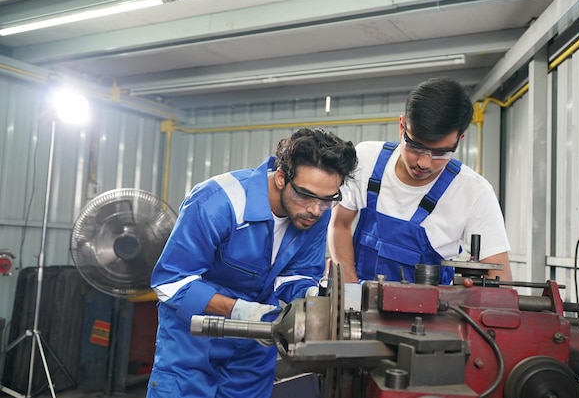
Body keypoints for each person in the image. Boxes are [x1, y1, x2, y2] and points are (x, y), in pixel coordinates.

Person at [147, 128, 358, 398]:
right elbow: (171, 282)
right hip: (194, 340)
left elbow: (296, 274)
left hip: (257, 342)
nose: (316, 210)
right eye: (306, 195)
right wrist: (238, 310)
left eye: (327, 200)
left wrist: (314, 295)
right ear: (281, 177)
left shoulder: (315, 214)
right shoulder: (217, 202)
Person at [328, 77, 512, 285]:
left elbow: (499, 278)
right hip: (360, 310)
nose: (424, 163)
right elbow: (339, 225)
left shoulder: (474, 192)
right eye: (415, 146)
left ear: (459, 140)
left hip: (432, 314)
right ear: (402, 126)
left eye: (440, 152)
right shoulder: (366, 160)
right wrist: (351, 292)